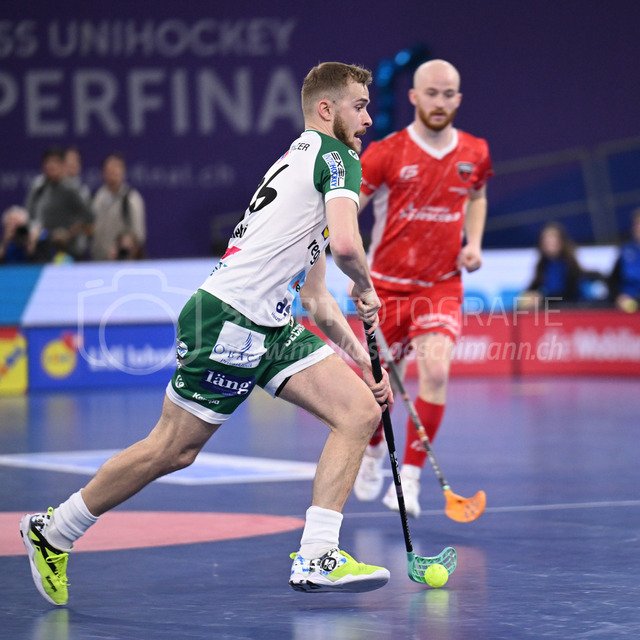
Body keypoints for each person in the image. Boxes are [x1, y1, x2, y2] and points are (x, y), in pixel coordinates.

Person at [20, 61, 395, 606]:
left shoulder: (298, 161)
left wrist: (361, 360)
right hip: (230, 318)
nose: (367, 119)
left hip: (271, 323)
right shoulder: (337, 158)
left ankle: (317, 554)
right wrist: (364, 284)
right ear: (325, 109)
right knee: (173, 449)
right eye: (359, 106)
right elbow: (346, 247)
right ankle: (55, 530)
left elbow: (314, 294)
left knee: (359, 411)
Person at [352, 59, 493, 518]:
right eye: (431, 93)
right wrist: (351, 264)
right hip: (385, 289)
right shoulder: (386, 152)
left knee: (435, 372)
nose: (439, 102)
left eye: (448, 94)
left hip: (440, 285)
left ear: (458, 99)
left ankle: (409, 478)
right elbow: (347, 207)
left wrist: (474, 243)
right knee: (378, 390)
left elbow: (477, 196)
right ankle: (374, 449)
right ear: (414, 97)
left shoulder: (475, 151)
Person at [24, 146, 92, 261]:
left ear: (63, 166)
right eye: (48, 162)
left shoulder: (71, 189)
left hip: (69, 249)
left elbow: (88, 217)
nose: (51, 166)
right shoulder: (39, 187)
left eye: (55, 162)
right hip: (43, 248)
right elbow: (30, 215)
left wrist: (68, 234)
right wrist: (34, 230)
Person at [91, 152, 146, 261]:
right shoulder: (97, 198)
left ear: (123, 172)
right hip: (99, 260)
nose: (113, 172)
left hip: (122, 262)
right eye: (109, 169)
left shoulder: (131, 198)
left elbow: (138, 234)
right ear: (103, 173)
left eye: (116, 168)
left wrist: (123, 247)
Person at [518, 222, 585, 309]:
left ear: (561, 242)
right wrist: (529, 296)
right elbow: (533, 286)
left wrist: (542, 299)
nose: (549, 243)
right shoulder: (542, 265)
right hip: (550, 308)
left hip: (569, 309)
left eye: (553, 240)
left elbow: (566, 294)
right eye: (546, 241)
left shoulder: (569, 264)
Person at [609, 207, 640, 312]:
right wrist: (618, 297)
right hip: (628, 304)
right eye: (637, 224)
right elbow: (613, 280)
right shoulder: (626, 251)